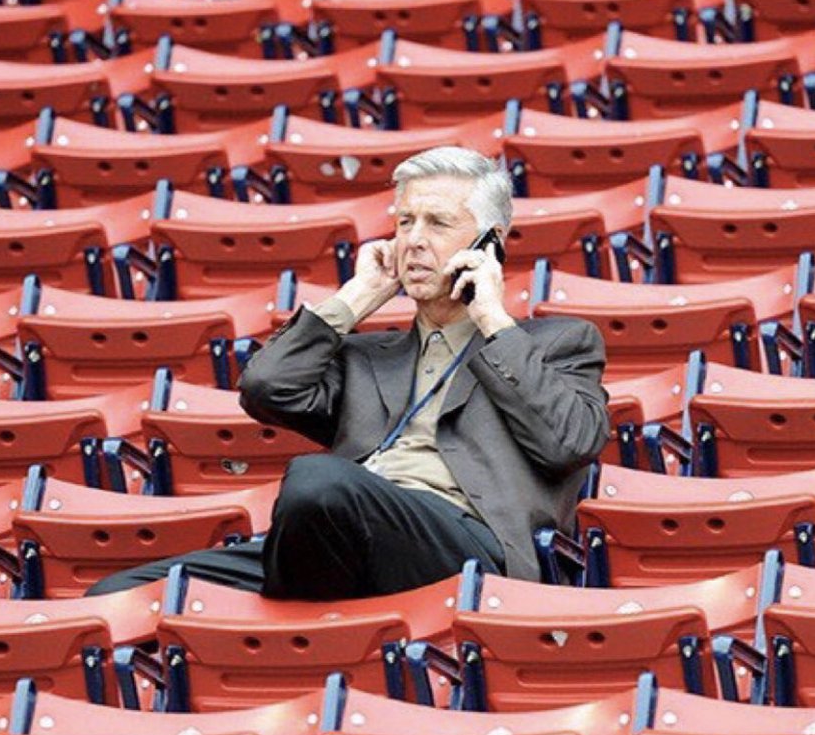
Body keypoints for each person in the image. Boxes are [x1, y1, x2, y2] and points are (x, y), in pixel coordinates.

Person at [87, 146, 609, 599]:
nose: (414, 240)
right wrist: (355, 299)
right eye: (405, 222)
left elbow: (569, 441)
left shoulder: (555, 344)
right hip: (338, 534)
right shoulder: (366, 355)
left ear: (490, 242)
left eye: (437, 223)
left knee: (319, 479)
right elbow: (267, 390)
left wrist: (492, 318)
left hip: (463, 547)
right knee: (117, 596)